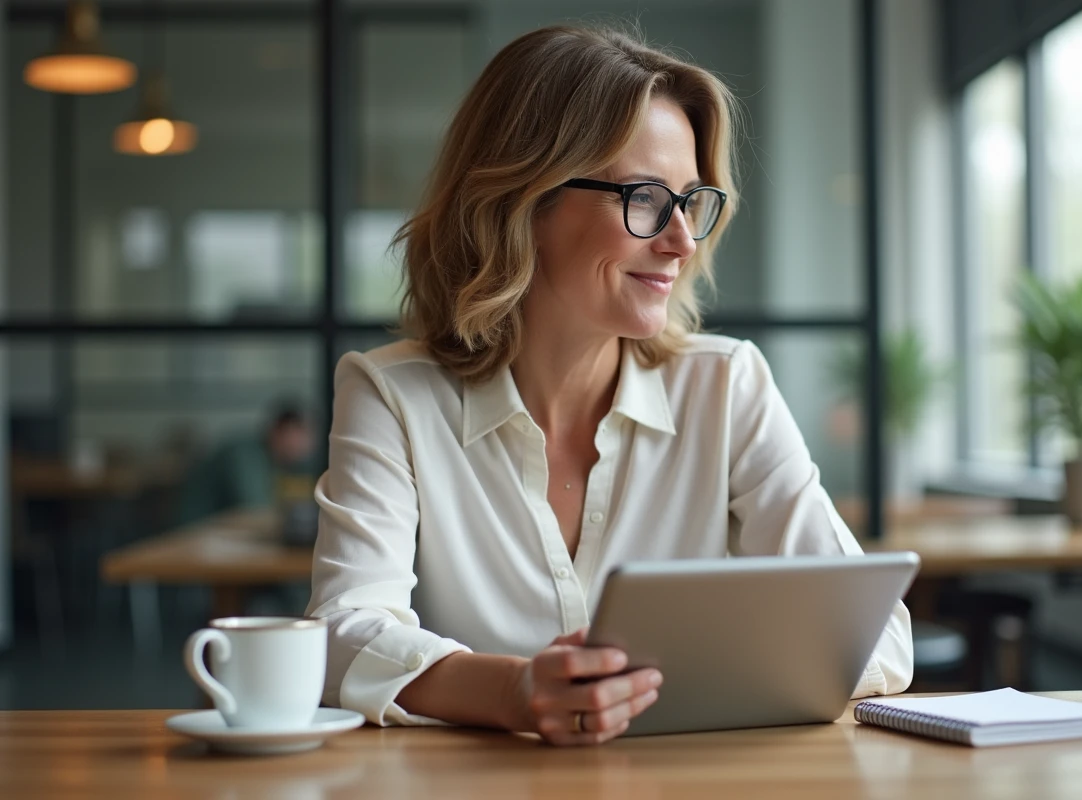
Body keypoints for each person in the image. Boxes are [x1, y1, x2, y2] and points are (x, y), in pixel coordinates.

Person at [306, 24, 912, 746]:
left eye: (690, 201)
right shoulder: (391, 394)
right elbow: (341, 637)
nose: (682, 241)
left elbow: (876, 639)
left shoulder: (726, 385)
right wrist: (511, 690)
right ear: (524, 202)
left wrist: (668, 691)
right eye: (646, 198)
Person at [176, 402, 316, 525]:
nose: (306, 443)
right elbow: (253, 507)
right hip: (191, 531)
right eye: (301, 433)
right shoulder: (244, 456)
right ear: (278, 430)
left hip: (215, 532)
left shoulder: (276, 461)